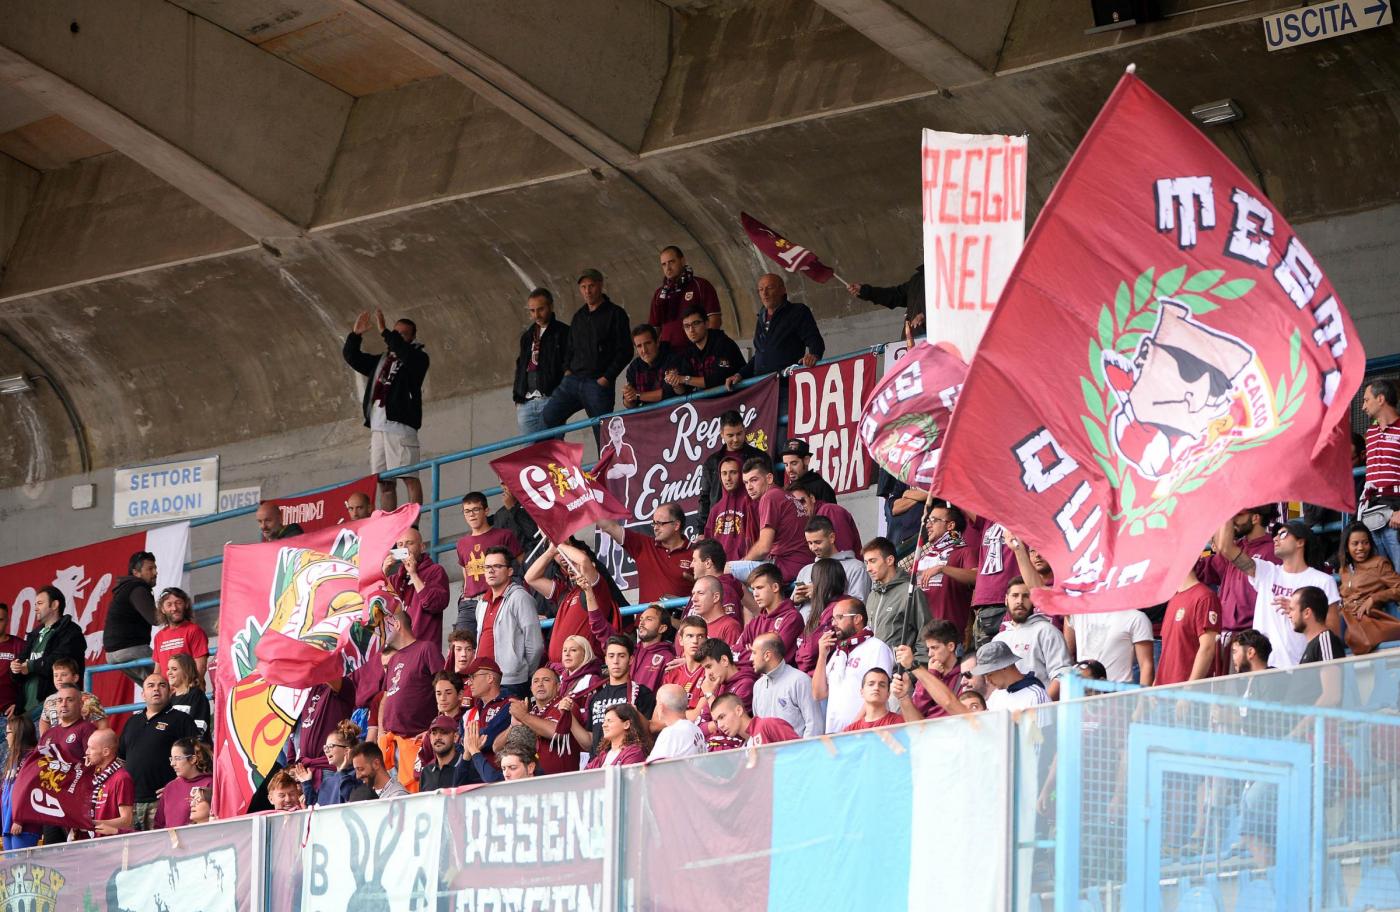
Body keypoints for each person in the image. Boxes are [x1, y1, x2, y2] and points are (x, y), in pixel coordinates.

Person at [1214, 518, 1341, 668]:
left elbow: (1332, 634)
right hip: (1264, 669)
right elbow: (1226, 548)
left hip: (1301, 669)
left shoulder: (1323, 581)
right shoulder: (1266, 571)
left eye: (1283, 534)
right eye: (1275, 535)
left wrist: (1299, 611)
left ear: (1300, 542)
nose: (1275, 538)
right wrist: (1228, 512)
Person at [342, 308, 428, 511]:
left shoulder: (418, 358)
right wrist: (355, 335)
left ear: (412, 338)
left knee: (409, 477)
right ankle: (389, 526)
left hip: (400, 428)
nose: (396, 337)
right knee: (384, 484)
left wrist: (385, 332)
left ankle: (412, 524)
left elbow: (404, 353)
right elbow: (353, 357)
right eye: (395, 332)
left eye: (402, 334)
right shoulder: (382, 360)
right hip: (378, 428)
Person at [541, 269, 632, 437]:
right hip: (573, 379)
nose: (587, 291)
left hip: (597, 383)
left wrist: (606, 378)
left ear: (600, 285)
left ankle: (607, 457)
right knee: (549, 415)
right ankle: (560, 454)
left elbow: (626, 351)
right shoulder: (579, 316)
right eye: (583, 287)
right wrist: (567, 370)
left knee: (603, 434)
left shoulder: (616, 314)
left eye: (591, 286)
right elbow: (570, 348)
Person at [376, 609, 445, 793]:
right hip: (392, 745)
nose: (382, 632)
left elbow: (445, 686)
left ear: (397, 625)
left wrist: (435, 727)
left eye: (385, 626)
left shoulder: (426, 648)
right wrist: (381, 732)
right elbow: (386, 696)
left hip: (416, 741)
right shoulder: (393, 659)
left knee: (416, 797)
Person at [119, 674, 198, 830]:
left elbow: (197, 757)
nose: (156, 689)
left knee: (165, 844)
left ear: (170, 692)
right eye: (151, 685)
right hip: (131, 804)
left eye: (162, 685)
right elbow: (121, 760)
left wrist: (177, 786)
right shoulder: (132, 722)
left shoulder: (182, 720)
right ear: (143, 694)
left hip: (165, 801)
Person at [526, 541, 623, 666]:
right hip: (558, 669)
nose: (570, 564)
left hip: (583, 666)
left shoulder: (596, 588)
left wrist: (558, 542)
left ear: (593, 565)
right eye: (569, 563)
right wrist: (551, 551)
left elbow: (583, 560)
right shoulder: (564, 592)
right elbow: (531, 578)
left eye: (574, 562)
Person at [1196, 505, 1276, 656]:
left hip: (1253, 639)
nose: (1233, 520)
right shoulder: (1238, 546)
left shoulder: (1272, 550)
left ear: (1255, 518)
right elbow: (1202, 570)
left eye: (1238, 515)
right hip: (1224, 636)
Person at [725, 274, 824, 390]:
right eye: (761, 289)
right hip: (762, 388)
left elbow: (814, 339)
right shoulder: (761, 317)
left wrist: (814, 354)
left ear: (783, 290)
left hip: (786, 386)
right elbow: (760, 355)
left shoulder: (797, 311)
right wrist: (740, 374)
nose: (765, 293)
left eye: (770, 288)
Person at [813, 600, 894, 733]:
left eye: (839, 617)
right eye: (833, 619)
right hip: (836, 734)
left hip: (865, 733)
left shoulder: (877, 647)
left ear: (857, 619)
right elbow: (818, 694)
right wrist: (822, 656)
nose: (834, 623)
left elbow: (879, 694)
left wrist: (853, 730)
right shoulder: (839, 652)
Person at [474, 547, 543, 697]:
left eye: (497, 566)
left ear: (510, 571)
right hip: (484, 682)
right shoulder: (482, 603)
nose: (491, 571)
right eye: (487, 567)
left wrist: (520, 671)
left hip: (511, 682)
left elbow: (535, 645)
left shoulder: (520, 597)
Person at [992, 578, 1072, 699]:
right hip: (1006, 709)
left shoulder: (1046, 631)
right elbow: (992, 683)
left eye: (1026, 596)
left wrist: (1042, 705)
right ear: (1006, 599)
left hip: (1042, 708)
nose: (1020, 601)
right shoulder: (998, 639)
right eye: (1015, 595)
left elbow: (1063, 674)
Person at [731, 458, 808, 583]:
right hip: (802, 564)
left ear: (769, 478)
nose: (749, 487)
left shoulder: (770, 497)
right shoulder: (784, 494)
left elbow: (763, 547)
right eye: (746, 482)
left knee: (724, 571)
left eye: (754, 480)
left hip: (788, 567)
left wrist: (743, 562)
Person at [455, 493, 523, 634]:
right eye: (467, 511)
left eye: (476, 509)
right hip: (469, 603)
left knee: (492, 642)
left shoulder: (504, 535)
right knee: (461, 642)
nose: (471, 514)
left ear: (486, 511)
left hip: (496, 599)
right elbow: (466, 573)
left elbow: (521, 563)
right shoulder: (461, 543)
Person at [13, 586, 87, 716]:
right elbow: (21, 663)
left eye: (40, 603)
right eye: (35, 604)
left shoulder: (71, 632)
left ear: (54, 605)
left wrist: (30, 666)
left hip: (56, 707)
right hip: (26, 711)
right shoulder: (35, 634)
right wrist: (16, 668)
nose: (35, 608)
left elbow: (58, 661)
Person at [596, 504, 693, 602]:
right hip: (646, 612)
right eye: (654, 523)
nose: (655, 528)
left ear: (676, 525)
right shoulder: (643, 545)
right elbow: (609, 526)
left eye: (660, 523)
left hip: (683, 612)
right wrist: (588, 501)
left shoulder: (695, 552)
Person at [912, 503, 979, 641]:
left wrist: (942, 568)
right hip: (921, 639)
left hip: (948, 639)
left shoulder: (964, 552)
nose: (928, 525)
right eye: (928, 521)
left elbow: (976, 577)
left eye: (934, 520)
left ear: (950, 525)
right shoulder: (923, 558)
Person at [578, 637, 656, 755]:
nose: (615, 661)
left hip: (627, 759)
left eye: (621, 656)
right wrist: (570, 718)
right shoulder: (595, 697)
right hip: (597, 762)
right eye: (611, 656)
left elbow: (650, 732)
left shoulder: (641, 693)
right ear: (605, 660)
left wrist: (636, 715)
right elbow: (591, 741)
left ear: (631, 660)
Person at [862, 537, 931, 664]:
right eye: (866, 563)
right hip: (874, 670)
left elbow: (926, 636)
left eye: (872, 561)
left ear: (890, 560)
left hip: (900, 672)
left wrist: (913, 670)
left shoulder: (911, 592)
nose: (868, 568)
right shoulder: (872, 596)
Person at [383, 526, 450, 651]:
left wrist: (413, 574)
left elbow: (435, 605)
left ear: (422, 547)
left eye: (409, 543)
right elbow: (377, 608)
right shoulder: (394, 579)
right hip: (397, 651)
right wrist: (382, 573)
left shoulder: (435, 571)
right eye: (400, 544)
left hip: (424, 650)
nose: (404, 548)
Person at [513, 288, 570, 436]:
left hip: (551, 399)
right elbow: (520, 366)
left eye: (540, 309)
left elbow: (570, 365)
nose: (536, 315)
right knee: (530, 449)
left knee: (553, 446)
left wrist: (560, 395)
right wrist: (517, 397)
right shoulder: (527, 336)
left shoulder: (563, 332)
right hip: (526, 403)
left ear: (551, 306)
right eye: (532, 311)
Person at [696, 411, 769, 525]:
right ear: (721, 434)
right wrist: (701, 529)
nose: (735, 439)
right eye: (730, 435)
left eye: (739, 434)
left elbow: (771, 489)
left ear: (744, 429)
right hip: (720, 523)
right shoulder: (711, 462)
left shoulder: (760, 457)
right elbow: (705, 498)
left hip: (755, 520)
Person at [507, 665, 583, 775]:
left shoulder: (566, 705)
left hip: (563, 780)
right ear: (531, 688)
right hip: (534, 780)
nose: (540, 684)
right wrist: (513, 725)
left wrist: (523, 716)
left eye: (546, 680)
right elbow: (497, 747)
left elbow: (556, 732)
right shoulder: (530, 713)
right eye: (536, 681)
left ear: (558, 686)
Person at [1338, 522, 1400, 652]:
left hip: (1364, 620)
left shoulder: (1379, 564)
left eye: (1365, 543)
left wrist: (1374, 598)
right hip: (1345, 619)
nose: (1361, 548)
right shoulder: (1344, 569)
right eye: (1355, 544)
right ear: (1347, 547)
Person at [588, 599, 674, 694]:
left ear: (662, 628)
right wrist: (589, 594)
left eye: (649, 619)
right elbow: (601, 628)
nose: (641, 623)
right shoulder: (629, 651)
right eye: (641, 619)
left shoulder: (668, 658)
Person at [1360, 378, 1400, 570]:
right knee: (1379, 578)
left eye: (1366, 400)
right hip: (1372, 512)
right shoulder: (1371, 433)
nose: (1363, 406)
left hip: (1396, 511)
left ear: (1381, 399)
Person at [1156, 571, 1222, 686]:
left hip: (1185, 689)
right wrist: (1156, 683)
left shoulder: (1205, 597)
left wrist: (1189, 688)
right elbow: (1167, 648)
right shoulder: (1173, 599)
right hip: (1165, 689)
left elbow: (1207, 648)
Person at [649, 246, 722, 349]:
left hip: (695, 352)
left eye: (671, 262)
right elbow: (654, 330)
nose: (668, 268)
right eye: (664, 264)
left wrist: (705, 349)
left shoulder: (700, 285)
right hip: (668, 354)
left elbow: (714, 320)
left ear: (682, 261)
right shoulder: (659, 295)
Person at [751, 633, 823, 737]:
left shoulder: (800, 680)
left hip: (797, 747)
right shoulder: (758, 686)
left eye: (754, 653)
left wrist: (805, 748)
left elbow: (815, 726)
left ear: (767, 655)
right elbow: (757, 730)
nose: (751, 658)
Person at [892, 621, 966, 721]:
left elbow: (951, 706)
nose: (930, 654)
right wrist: (932, 673)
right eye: (928, 649)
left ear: (951, 646)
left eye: (934, 648)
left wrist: (915, 666)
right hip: (926, 728)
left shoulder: (965, 674)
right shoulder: (929, 673)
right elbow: (918, 707)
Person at [1064, 605, 1155, 686]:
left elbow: (1146, 665)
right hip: (1082, 690)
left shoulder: (1137, 618)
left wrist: (1143, 698)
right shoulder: (1077, 613)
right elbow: (1067, 653)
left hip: (1119, 691)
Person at [103, 550, 159, 681]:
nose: (155, 572)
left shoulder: (126, 587)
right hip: (130, 649)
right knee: (172, 678)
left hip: (112, 653)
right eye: (150, 569)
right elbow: (156, 619)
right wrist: (174, 611)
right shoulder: (137, 588)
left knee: (152, 686)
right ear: (136, 572)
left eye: (155, 568)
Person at [793, 516, 871, 609]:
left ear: (832, 537)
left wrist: (821, 594)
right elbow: (791, 611)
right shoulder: (805, 571)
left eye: (818, 542)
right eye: (810, 543)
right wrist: (795, 601)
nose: (813, 548)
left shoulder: (856, 568)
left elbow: (859, 606)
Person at [666, 305, 745, 395]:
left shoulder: (723, 343)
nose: (691, 330)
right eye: (687, 326)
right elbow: (683, 391)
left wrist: (685, 379)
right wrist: (675, 382)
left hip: (737, 397)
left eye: (696, 323)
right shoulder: (689, 351)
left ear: (707, 324)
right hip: (710, 401)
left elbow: (720, 379)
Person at [734, 563, 802, 662]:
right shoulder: (756, 621)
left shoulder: (792, 618)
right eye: (753, 589)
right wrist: (756, 654)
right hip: (752, 671)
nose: (755, 594)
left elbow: (772, 658)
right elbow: (735, 652)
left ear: (775, 587)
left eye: (759, 588)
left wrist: (750, 652)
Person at [968, 518, 1019, 649]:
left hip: (1013, 601)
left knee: (1014, 655)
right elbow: (965, 505)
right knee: (986, 658)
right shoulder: (987, 519)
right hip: (984, 606)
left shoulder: (1023, 515)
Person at [691, 638, 756, 732]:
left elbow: (727, 724)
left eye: (709, 666)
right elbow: (699, 726)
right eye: (704, 669)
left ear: (724, 660)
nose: (707, 674)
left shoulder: (746, 685)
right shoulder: (717, 684)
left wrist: (709, 696)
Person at [292, 719, 360, 808]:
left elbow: (352, 801)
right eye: (325, 747)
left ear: (346, 750)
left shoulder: (358, 775)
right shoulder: (327, 782)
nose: (326, 751)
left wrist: (342, 773)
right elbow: (315, 807)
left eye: (331, 746)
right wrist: (306, 783)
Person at [971, 641, 1051, 714]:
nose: (987, 680)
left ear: (1004, 666)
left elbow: (1044, 726)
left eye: (989, 674)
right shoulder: (996, 695)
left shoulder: (1035, 695)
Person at [846, 265, 926, 338]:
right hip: (912, 342)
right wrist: (866, 291)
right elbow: (895, 296)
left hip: (928, 342)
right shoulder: (918, 279)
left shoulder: (931, 277)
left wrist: (926, 314)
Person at [151, 587, 210, 684]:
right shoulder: (159, 636)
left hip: (188, 690)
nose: (174, 608)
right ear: (162, 609)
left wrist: (190, 688)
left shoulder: (194, 630)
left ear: (185, 605)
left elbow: (201, 667)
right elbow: (158, 670)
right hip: (168, 692)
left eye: (178, 603)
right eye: (169, 605)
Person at [704, 455, 757, 562]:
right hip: (720, 568)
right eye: (724, 473)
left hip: (745, 566)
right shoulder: (715, 509)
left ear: (742, 475)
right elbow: (708, 544)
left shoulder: (752, 503)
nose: (728, 478)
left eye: (733, 472)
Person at [83, 729, 134, 838]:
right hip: (92, 841)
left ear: (106, 752)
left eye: (91, 748)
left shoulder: (121, 778)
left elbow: (126, 820)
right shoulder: (91, 775)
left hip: (111, 843)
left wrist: (91, 824)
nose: (86, 752)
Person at [38, 658, 106, 736]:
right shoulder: (49, 700)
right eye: (55, 675)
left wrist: (98, 740)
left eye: (64, 675)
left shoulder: (89, 699)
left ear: (75, 678)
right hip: (56, 741)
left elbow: (102, 723)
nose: (59, 679)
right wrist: (44, 738)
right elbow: (44, 721)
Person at [463, 659, 514, 763]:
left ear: (489, 678)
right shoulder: (475, 708)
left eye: (473, 677)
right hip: (472, 767)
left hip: (499, 769)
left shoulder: (510, 703)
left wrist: (470, 740)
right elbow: (460, 743)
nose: (469, 682)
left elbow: (489, 737)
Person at [154, 738, 211, 829]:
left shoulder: (210, 784)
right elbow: (159, 825)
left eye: (177, 758)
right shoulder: (170, 787)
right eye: (171, 759)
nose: (172, 763)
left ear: (192, 759)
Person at [710, 693, 799, 748]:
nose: (720, 725)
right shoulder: (742, 747)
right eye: (716, 722)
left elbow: (802, 751)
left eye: (722, 717)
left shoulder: (767, 724)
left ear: (738, 710)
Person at [1, 715, 38, 850]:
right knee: (11, 862)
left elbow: (29, 790)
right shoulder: (13, 758)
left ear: (18, 734)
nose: (6, 737)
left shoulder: (32, 758)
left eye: (8, 732)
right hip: (8, 821)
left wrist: (19, 819)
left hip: (23, 824)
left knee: (21, 862)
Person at [689, 539, 749, 619]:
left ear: (708, 563)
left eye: (694, 560)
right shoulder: (701, 589)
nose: (691, 565)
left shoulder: (725, 591)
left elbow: (728, 625)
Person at [649, 683, 707, 760]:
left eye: (657, 702)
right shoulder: (697, 729)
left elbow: (654, 766)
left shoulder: (670, 733)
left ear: (661, 707)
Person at [621, 323, 674, 409]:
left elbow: (669, 392)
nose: (644, 350)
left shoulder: (671, 358)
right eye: (639, 346)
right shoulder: (634, 367)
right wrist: (628, 397)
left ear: (657, 342)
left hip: (673, 411)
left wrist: (637, 395)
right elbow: (629, 405)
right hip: (649, 415)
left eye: (648, 343)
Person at [584, 704, 652, 769]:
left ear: (626, 724)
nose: (604, 725)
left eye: (609, 721)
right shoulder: (603, 755)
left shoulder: (634, 752)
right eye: (604, 721)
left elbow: (626, 776)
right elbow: (584, 774)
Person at [662, 616, 709, 707]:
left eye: (700, 636)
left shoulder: (709, 672)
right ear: (680, 640)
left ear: (706, 640)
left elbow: (698, 713)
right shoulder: (672, 673)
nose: (695, 641)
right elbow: (660, 711)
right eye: (690, 636)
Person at [419, 714, 474, 791]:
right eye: (434, 733)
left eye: (444, 732)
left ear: (455, 737)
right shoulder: (426, 772)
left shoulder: (468, 766)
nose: (437, 737)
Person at [166, 653, 211, 740]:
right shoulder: (170, 700)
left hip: (192, 747)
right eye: (168, 669)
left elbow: (199, 730)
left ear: (186, 671)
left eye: (174, 669)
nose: (169, 673)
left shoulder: (197, 695)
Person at [688, 577, 742, 649]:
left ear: (716, 597)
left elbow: (730, 656)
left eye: (700, 593)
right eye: (693, 594)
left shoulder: (730, 626)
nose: (693, 599)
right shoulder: (696, 625)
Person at [778, 439, 836, 504]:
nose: (789, 469)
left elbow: (830, 510)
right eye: (786, 465)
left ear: (806, 460)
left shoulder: (822, 488)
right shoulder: (785, 490)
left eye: (794, 463)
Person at [0, 603, 22, 764]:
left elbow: (30, 682)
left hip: (7, 716)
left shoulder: (19, 646)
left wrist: (19, 704)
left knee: (6, 767)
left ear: (7, 620)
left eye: (0, 619)